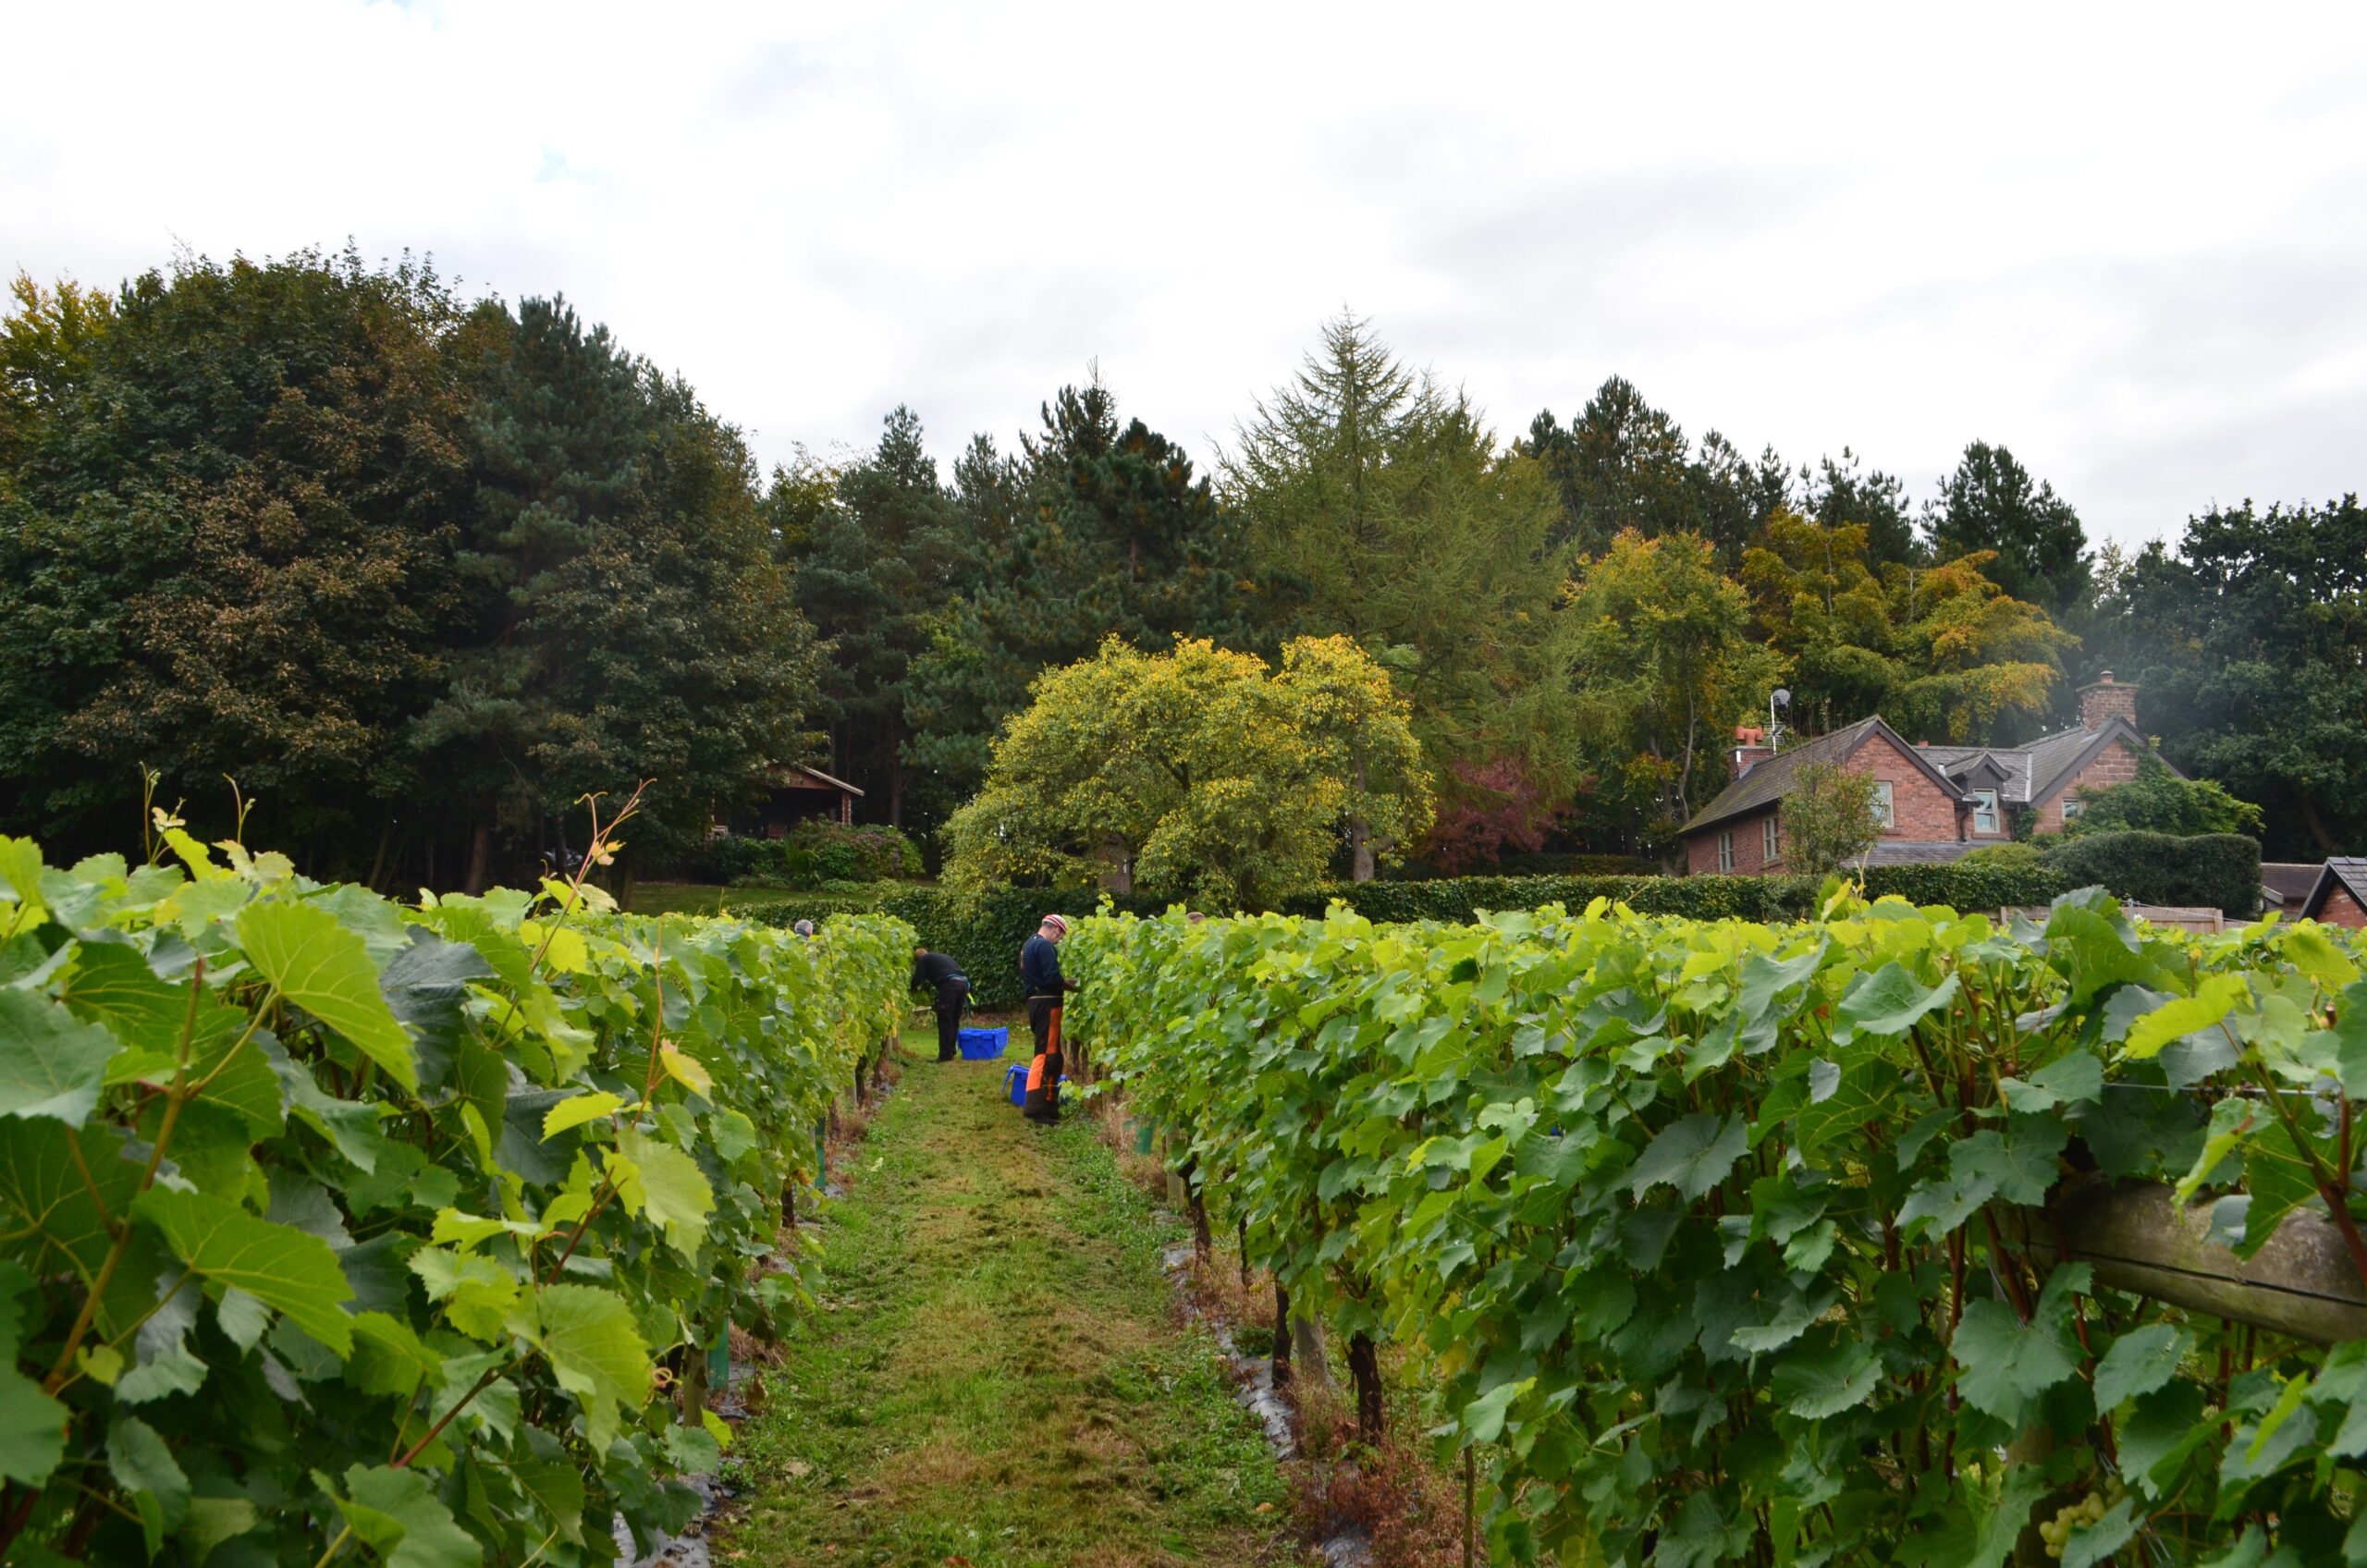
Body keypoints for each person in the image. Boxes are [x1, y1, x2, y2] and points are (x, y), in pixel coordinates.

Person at [1020, 913, 1077, 1124]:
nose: (1059, 940)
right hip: (1047, 1003)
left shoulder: (1028, 945)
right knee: (1047, 1054)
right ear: (1054, 929)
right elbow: (1052, 978)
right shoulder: (1044, 946)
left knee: (1049, 1053)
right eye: (1060, 936)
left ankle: (1048, 1105)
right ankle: (1036, 1108)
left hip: (1035, 1002)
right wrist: (1068, 984)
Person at [912, 946, 970, 1062]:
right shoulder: (942, 957)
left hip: (950, 985)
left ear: (918, 959)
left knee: (944, 1019)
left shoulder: (924, 959)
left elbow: (918, 978)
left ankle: (945, 1055)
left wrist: (912, 989)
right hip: (964, 983)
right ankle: (951, 1051)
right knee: (954, 1019)